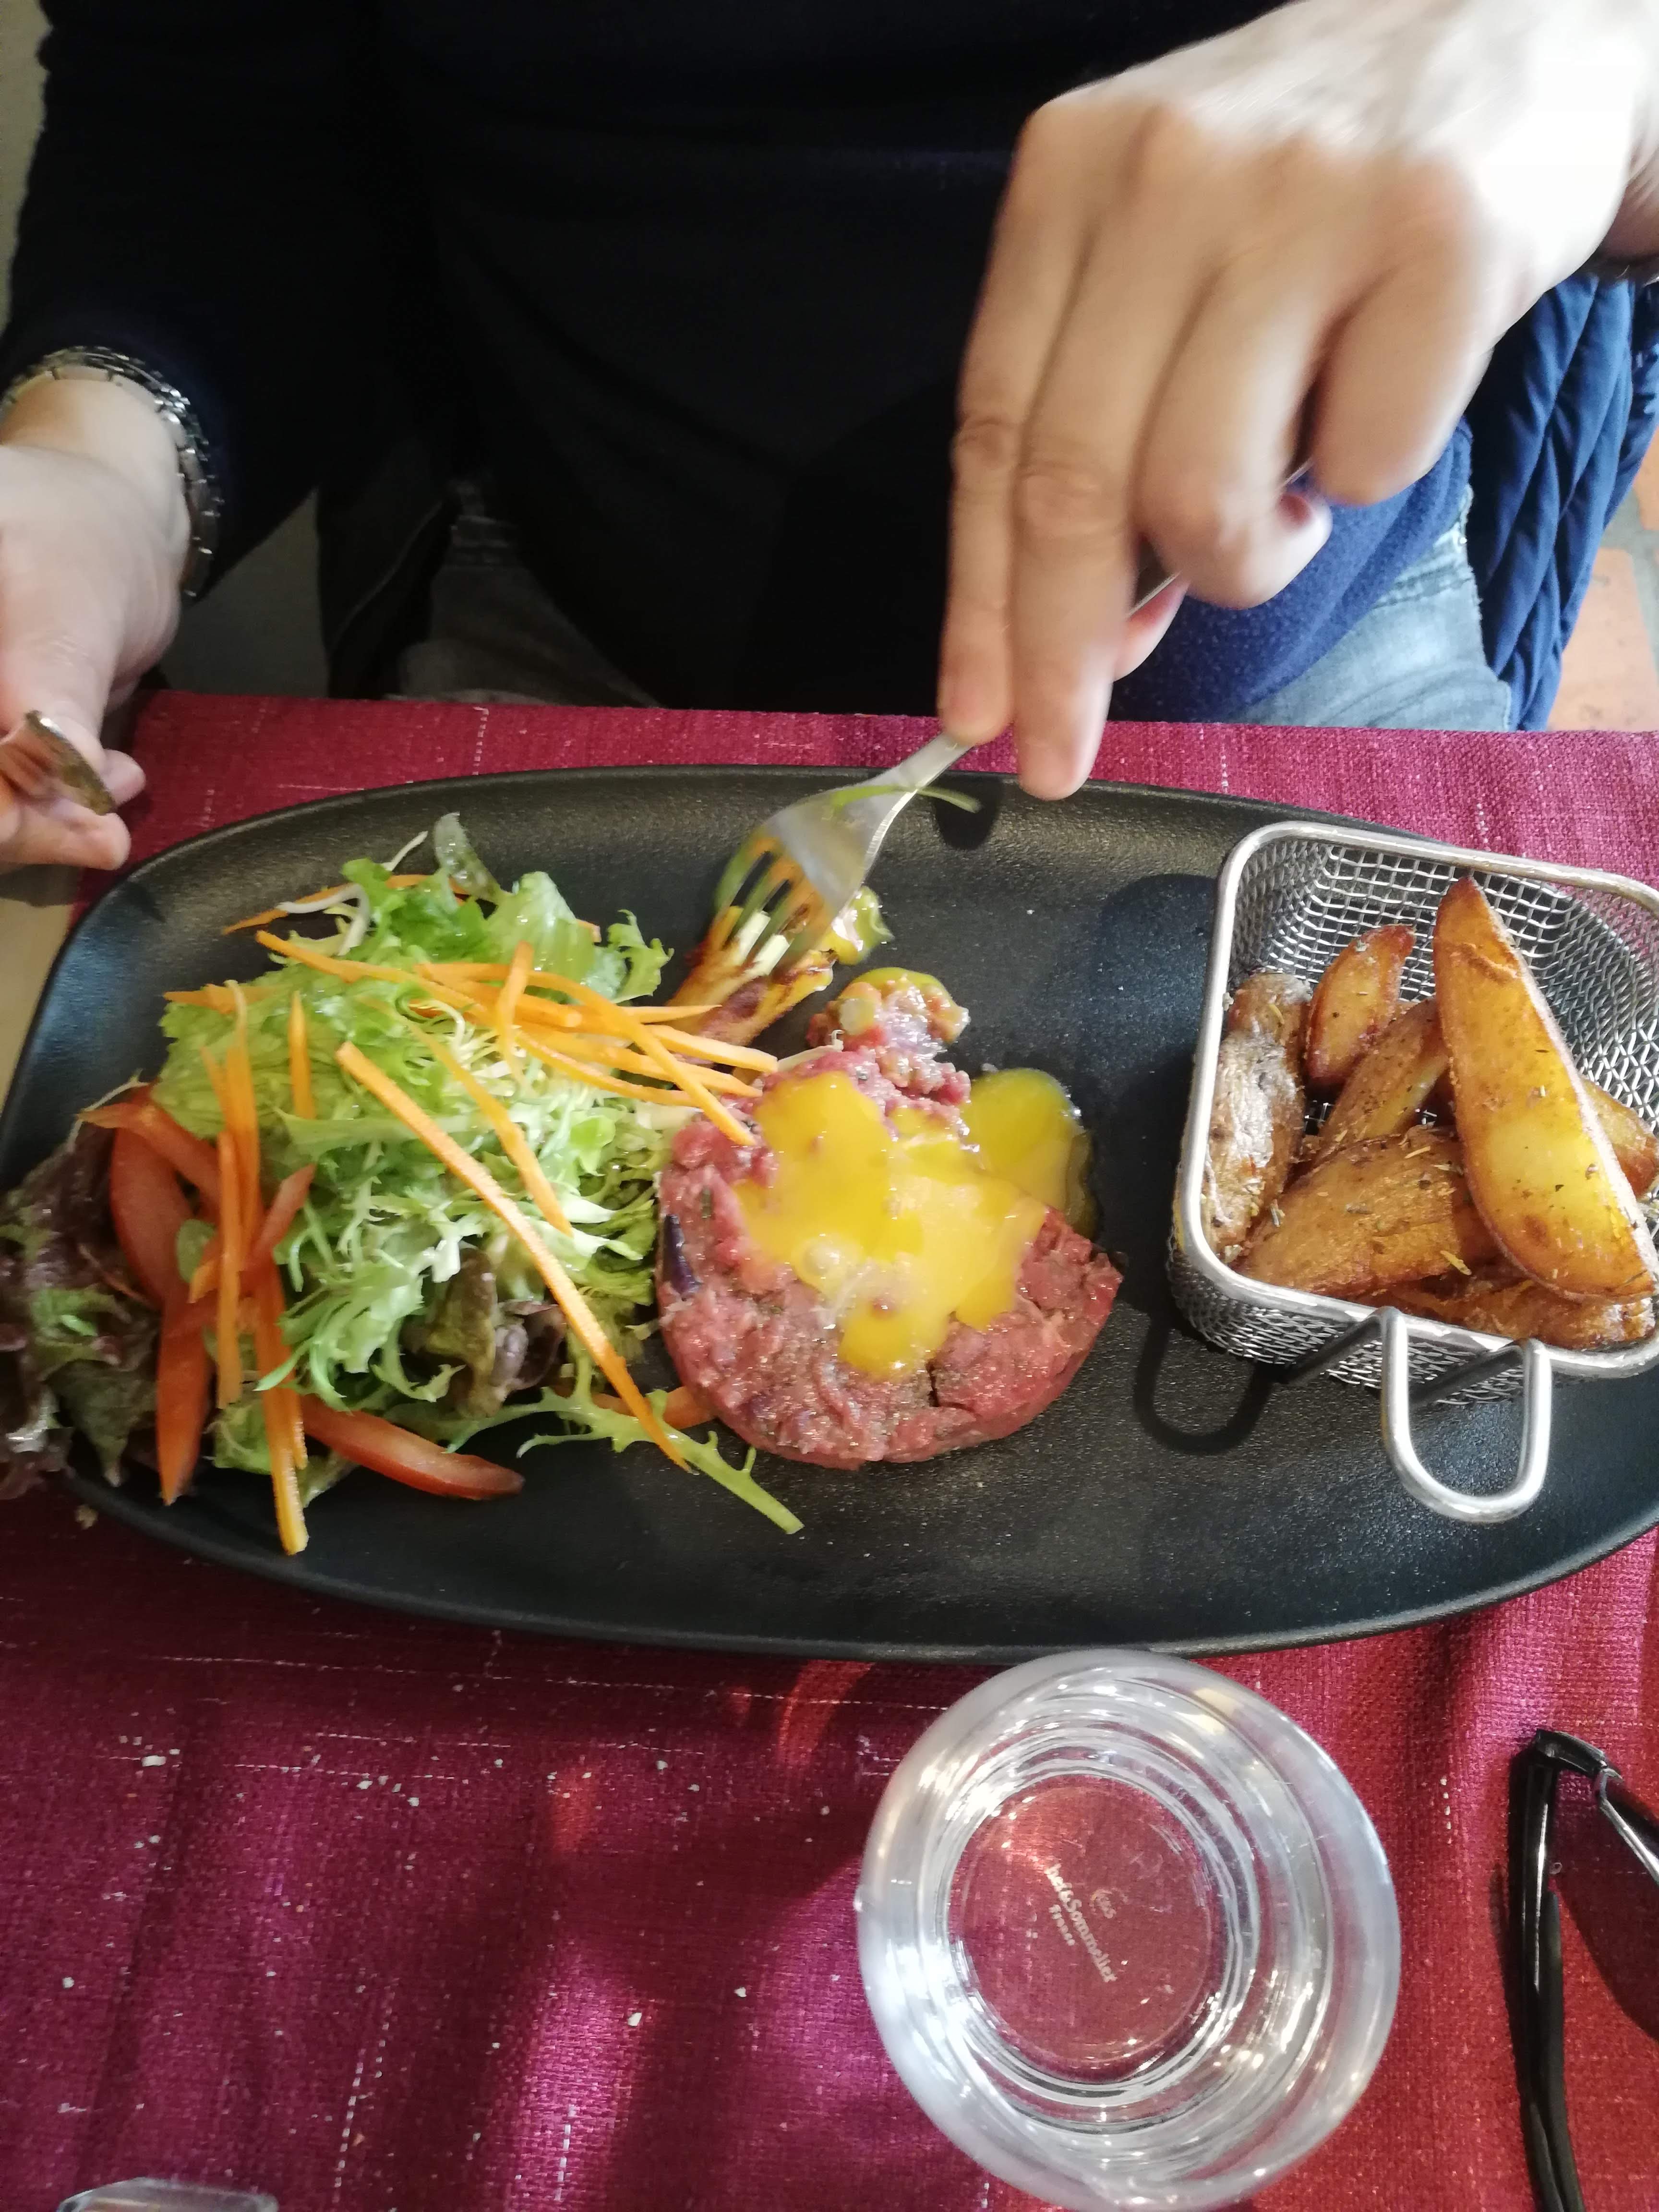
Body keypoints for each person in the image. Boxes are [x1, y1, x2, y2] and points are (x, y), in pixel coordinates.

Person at [2, 0, 1657, 875]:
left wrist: (1607, 55)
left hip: (1324, 639)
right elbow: (205, 121)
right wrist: (96, 468)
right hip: (582, 624)